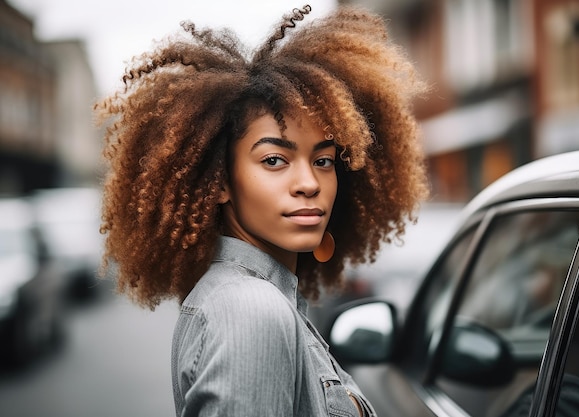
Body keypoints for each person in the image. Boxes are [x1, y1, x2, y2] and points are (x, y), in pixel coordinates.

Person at [95, 4, 429, 417]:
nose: (309, 183)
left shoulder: (253, 297)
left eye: (323, 161)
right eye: (274, 160)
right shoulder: (252, 311)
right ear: (218, 182)